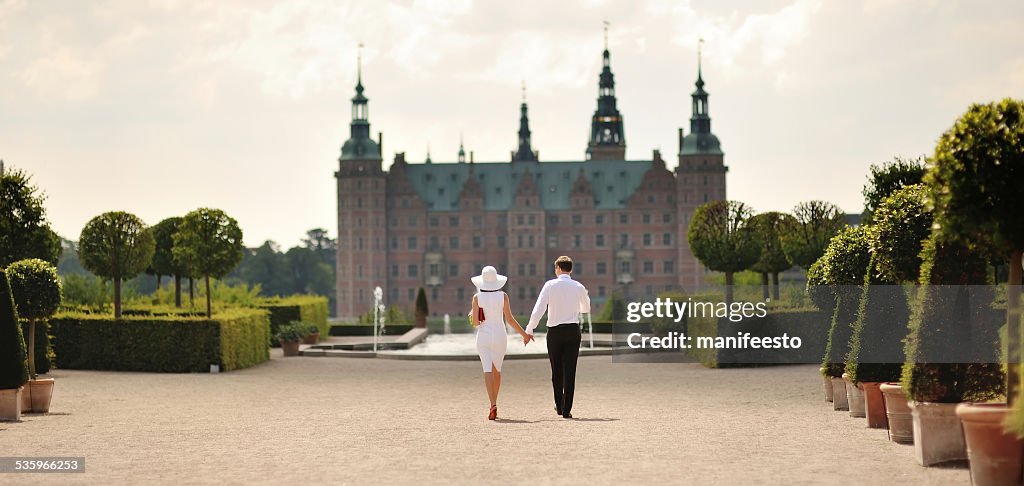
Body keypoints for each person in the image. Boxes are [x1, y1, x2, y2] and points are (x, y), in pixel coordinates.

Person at [524, 256, 591, 419]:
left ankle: (559, 405)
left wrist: (530, 329)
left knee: (556, 370)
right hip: (572, 330)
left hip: (554, 331)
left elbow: (539, 308)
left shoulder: (550, 285)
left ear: (558, 268)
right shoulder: (578, 286)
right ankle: (567, 409)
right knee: (570, 371)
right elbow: (586, 309)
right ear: (571, 269)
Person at [471, 265, 531, 420]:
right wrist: (524, 334)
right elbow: (509, 319)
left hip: (483, 335)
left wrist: (472, 315)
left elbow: (476, 323)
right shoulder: (503, 296)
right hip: (499, 335)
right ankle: (494, 402)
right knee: (497, 369)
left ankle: (493, 404)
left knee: (487, 370)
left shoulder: (477, 298)